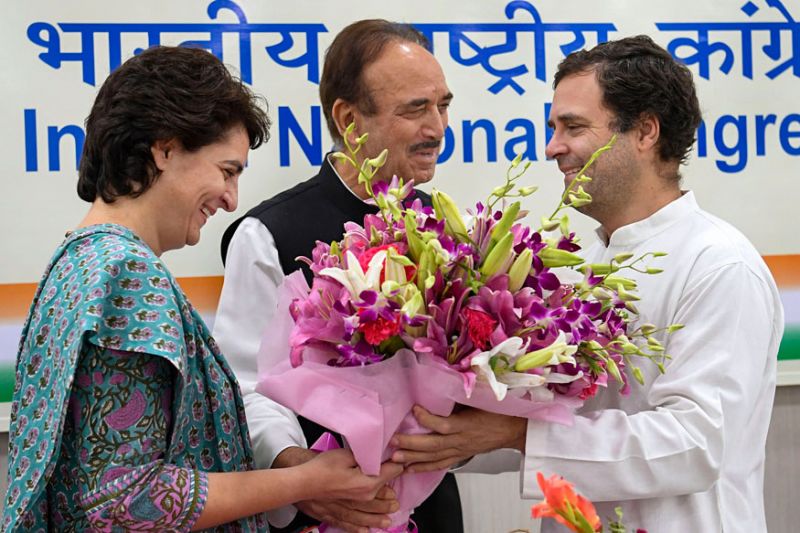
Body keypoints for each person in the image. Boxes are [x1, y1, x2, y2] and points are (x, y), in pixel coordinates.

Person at [390, 35, 784, 532]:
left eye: (572, 127)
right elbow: (561, 414)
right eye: (553, 127)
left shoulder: (721, 266)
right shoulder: (593, 260)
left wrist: (515, 433)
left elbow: (694, 445)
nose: (553, 148)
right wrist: (448, 435)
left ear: (645, 131)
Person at [1, 45, 401, 532]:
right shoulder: (127, 275)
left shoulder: (75, 262)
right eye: (226, 171)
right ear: (165, 150)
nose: (231, 200)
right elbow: (127, 501)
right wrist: (307, 481)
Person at [213, 19, 462, 533]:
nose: (437, 128)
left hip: (429, 510)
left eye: (443, 105)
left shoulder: (450, 232)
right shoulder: (269, 234)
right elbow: (245, 388)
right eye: (416, 109)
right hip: (319, 511)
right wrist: (299, 476)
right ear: (349, 119)